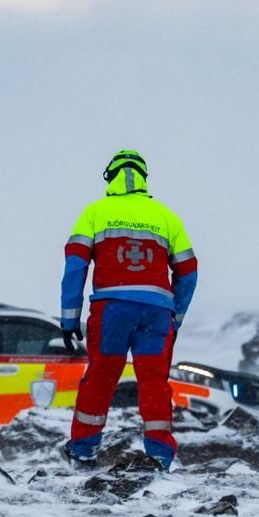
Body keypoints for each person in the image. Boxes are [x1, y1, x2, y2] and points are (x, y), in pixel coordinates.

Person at [60, 149, 198, 468]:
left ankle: (83, 449)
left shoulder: (95, 212)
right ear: (142, 177)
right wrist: (175, 315)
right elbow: (188, 271)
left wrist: (69, 317)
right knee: (154, 381)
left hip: (112, 308)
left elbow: (75, 266)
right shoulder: (166, 216)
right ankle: (160, 455)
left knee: (101, 376)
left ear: (111, 176)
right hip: (157, 311)